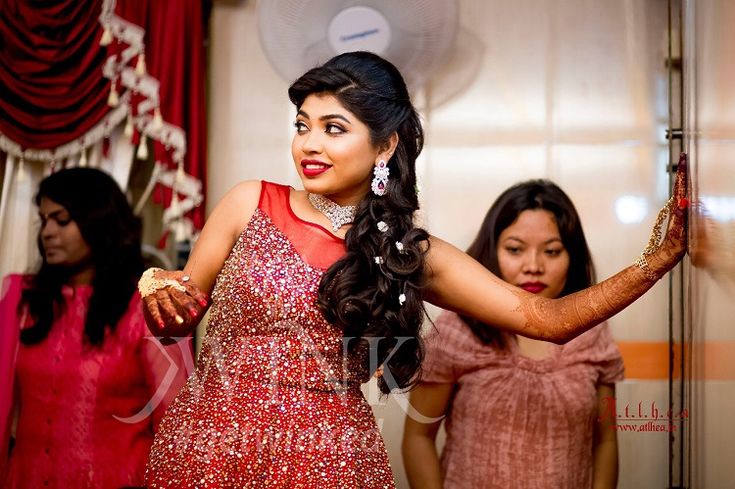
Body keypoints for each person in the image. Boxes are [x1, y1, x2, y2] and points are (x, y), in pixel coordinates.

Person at [139, 51, 687, 488]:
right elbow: (179, 319)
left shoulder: (408, 253)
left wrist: (657, 260)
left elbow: (548, 320)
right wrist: (160, 298)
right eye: (303, 125)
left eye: (334, 128)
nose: (308, 143)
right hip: (209, 445)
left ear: (386, 144)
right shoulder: (248, 202)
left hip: (327, 460)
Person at [402, 180, 624, 489]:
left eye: (552, 251)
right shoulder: (457, 329)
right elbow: (418, 438)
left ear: (572, 257)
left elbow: (606, 441)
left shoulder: (592, 332)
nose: (533, 266)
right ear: (492, 251)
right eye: (515, 249)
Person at [0, 167, 192, 488]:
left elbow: (177, 425)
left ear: (100, 223)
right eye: (43, 220)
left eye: (61, 220)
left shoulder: (148, 305)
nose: (47, 232)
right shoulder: (21, 300)